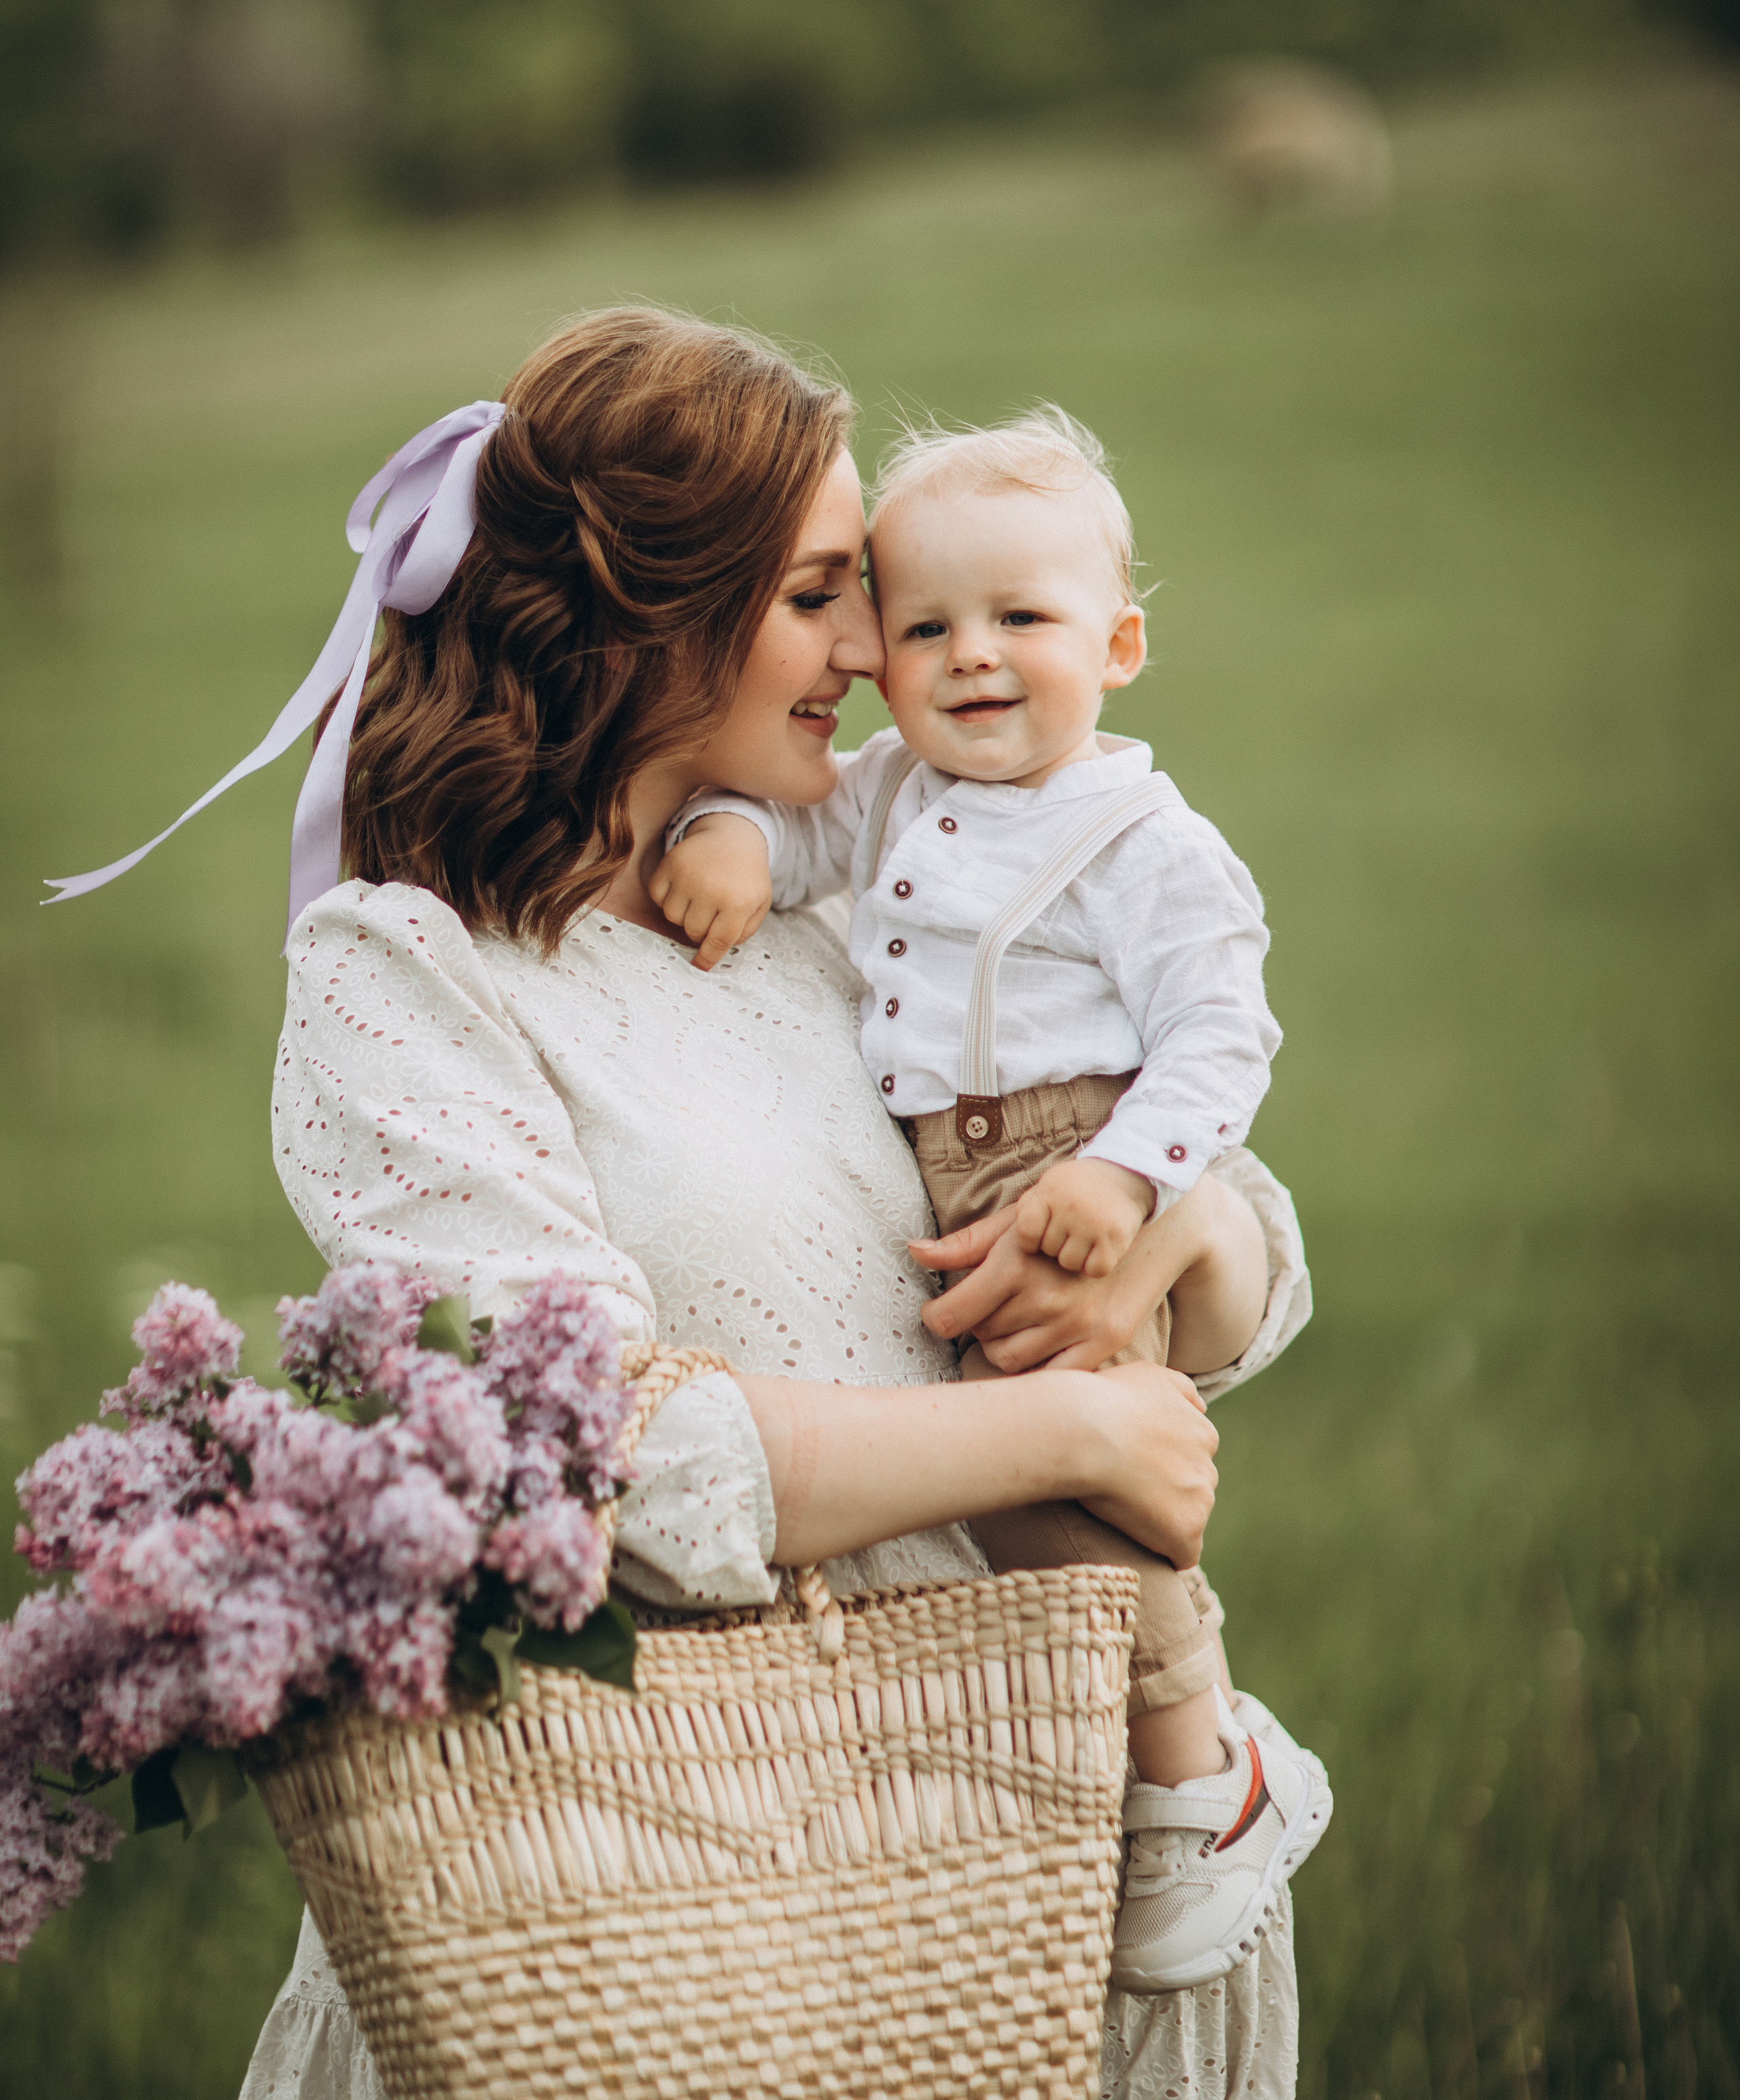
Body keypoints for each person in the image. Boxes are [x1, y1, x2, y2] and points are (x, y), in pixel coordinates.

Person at [48, 303, 1307, 2095]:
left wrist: (1175, 1240)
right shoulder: (411, 972)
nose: (874, 650)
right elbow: (590, 1452)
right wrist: (1065, 1435)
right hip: (670, 1900)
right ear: (646, 616)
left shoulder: (858, 876)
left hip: (1051, 1852)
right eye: (819, 595)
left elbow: (1225, 1238)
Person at [648, 403, 1330, 1993]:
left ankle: (1202, 1763)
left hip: (1077, 1166)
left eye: (1020, 619)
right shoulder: (892, 787)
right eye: (925, 625)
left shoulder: (1145, 843)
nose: (970, 657)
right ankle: (1142, 1763)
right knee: (1035, 1487)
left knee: (1047, 1489)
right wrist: (733, 840)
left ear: (1118, 644)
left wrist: (1126, 1176)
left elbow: (1222, 1035)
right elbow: (795, 834)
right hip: (961, 1177)